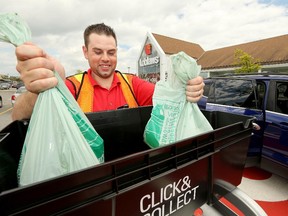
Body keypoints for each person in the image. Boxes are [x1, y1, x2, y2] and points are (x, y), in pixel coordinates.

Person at [12, 23, 205, 120]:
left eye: (111, 52)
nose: (105, 58)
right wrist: (40, 88)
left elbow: (168, 99)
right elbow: (18, 116)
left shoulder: (133, 84)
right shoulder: (73, 86)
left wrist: (187, 87)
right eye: (98, 52)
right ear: (85, 52)